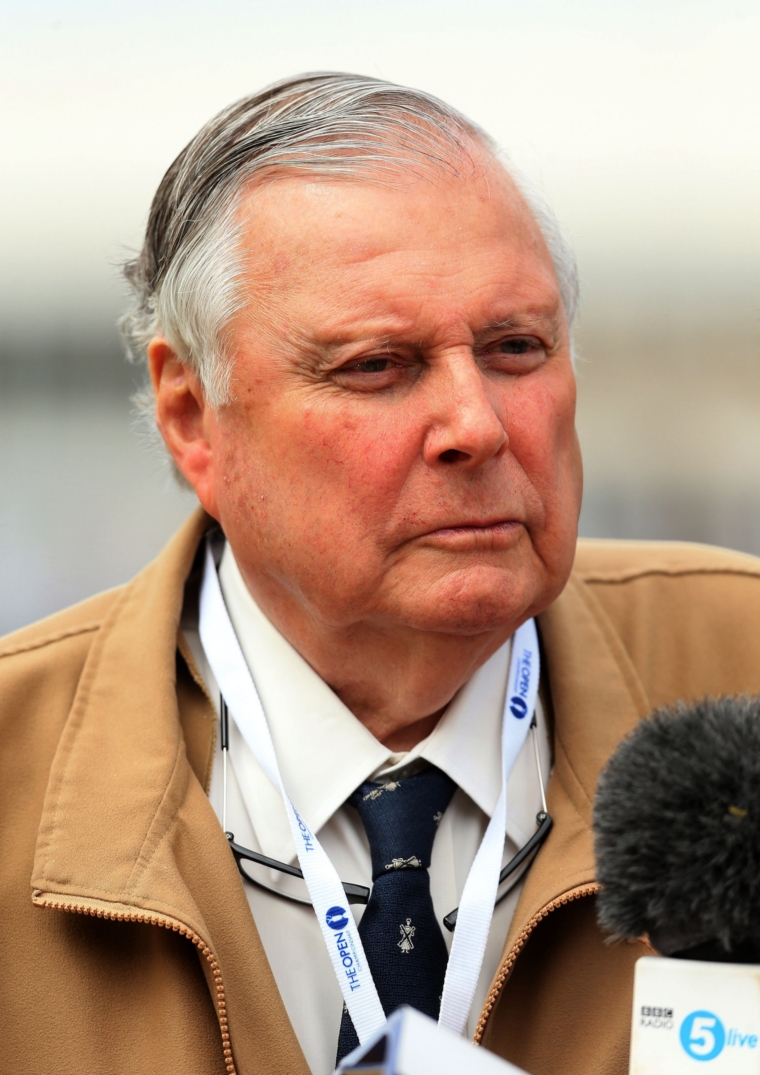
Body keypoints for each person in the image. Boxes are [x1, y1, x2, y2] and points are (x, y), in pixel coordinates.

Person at [1, 72, 759, 1075]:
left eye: (515, 348)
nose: (477, 425)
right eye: (376, 366)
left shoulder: (737, 665)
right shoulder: (21, 770)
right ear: (193, 419)